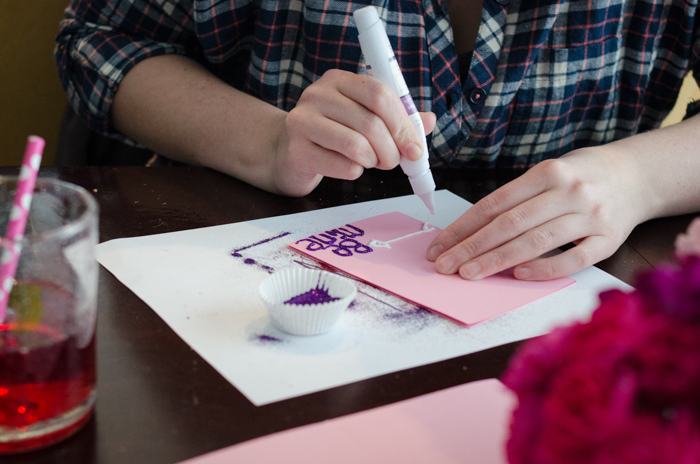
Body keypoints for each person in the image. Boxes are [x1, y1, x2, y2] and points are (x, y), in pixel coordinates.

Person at [55, 0, 700, 282]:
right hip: (248, 260)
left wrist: (637, 179)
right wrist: (268, 140)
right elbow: (100, 43)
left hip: (575, 295)